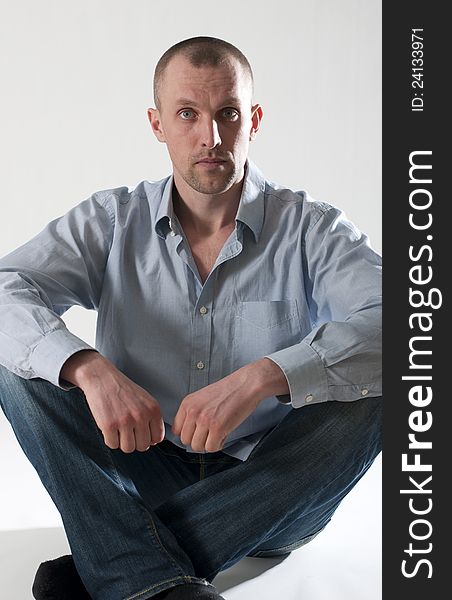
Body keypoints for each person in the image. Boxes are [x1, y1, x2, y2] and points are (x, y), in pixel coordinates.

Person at [0, 36, 382, 600]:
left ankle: (111, 567)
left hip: (272, 487)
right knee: (21, 367)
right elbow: (7, 291)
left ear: (253, 119)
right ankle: (154, 575)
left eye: (228, 114)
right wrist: (86, 367)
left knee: (385, 387)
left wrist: (264, 376)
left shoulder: (311, 228)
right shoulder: (112, 220)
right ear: (158, 125)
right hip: (137, 472)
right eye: (188, 115)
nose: (212, 137)